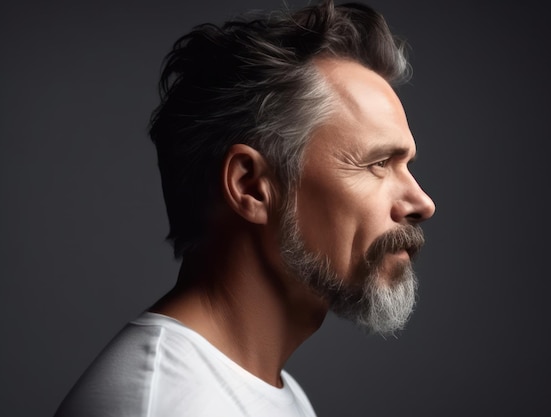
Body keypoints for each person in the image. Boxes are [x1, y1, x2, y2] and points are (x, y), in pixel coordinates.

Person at [54, 0, 435, 415]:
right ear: (251, 187)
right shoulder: (169, 405)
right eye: (378, 163)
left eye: (406, 166)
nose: (422, 203)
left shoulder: (269, 391)